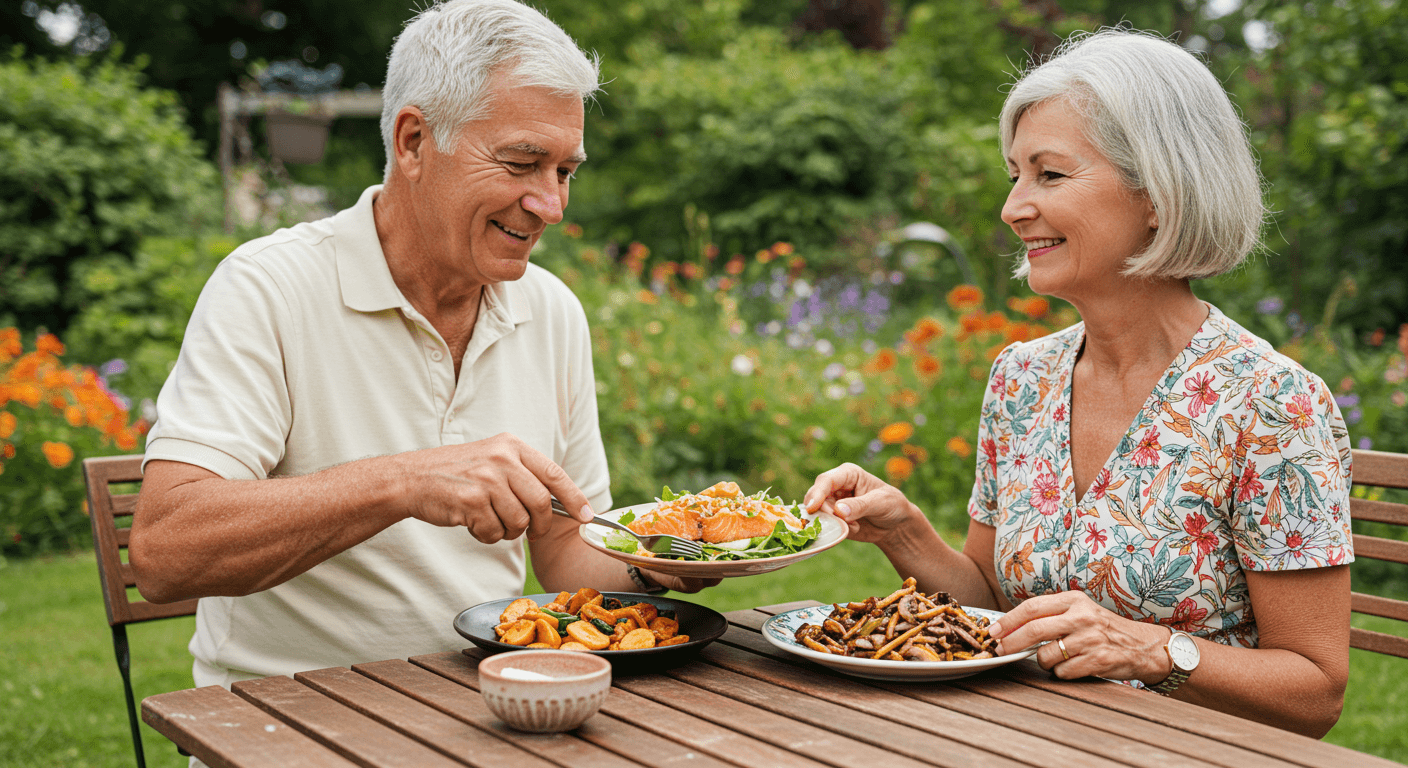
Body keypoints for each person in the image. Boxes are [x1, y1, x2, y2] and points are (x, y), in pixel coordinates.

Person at [129, 0, 715, 694]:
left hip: (483, 705)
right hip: (287, 718)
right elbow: (165, 552)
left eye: (564, 171)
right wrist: (406, 481)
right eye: (523, 162)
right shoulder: (270, 288)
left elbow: (565, 545)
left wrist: (669, 558)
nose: (552, 206)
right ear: (412, 142)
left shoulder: (551, 309)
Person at [803, 29, 1353, 737]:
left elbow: (1317, 693)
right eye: (1014, 176)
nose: (1013, 207)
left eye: (1049, 175)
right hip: (1026, 741)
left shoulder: (1269, 403)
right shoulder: (1021, 378)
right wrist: (903, 532)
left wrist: (1152, 651)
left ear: (1158, 192)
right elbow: (995, 606)